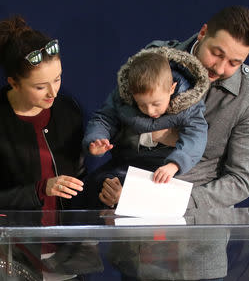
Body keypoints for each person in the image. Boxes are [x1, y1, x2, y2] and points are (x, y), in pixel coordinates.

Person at [99, 5, 249, 211]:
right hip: (127, 201)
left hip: (196, 221)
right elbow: (110, 122)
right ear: (203, 32)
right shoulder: (155, 57)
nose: (219, 68)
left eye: (234, 63)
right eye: (216, 53)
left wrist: (170, 202)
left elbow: (240, 180)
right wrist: (151, 135)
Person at [0, 16, 86, 256]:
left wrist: (107, 189)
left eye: (58, 78)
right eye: (40, 87)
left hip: (66, 256)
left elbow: (81, 183)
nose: (53, 92)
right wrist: (41, 189)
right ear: (14, 83)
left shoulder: (69, 109)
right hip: (11, 254)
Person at [79, 47, 209, 207]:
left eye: (156, 104)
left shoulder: (189, 105)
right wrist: (96, 139)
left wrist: (175, 164)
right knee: (94, 186)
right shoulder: (122, 97)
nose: (150, 111)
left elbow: (196, 136)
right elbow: (104, 119)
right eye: (141, 104)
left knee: (155, 195)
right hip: (127, 161)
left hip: (165, 165)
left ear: (172, 88)